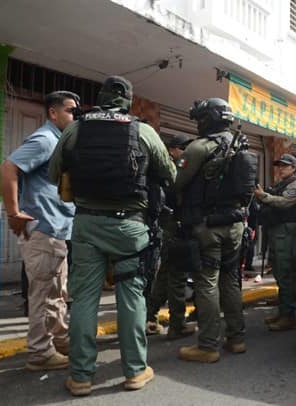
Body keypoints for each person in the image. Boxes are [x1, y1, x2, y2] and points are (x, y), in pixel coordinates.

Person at [49, 76, 176, 396]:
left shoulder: (76, 129)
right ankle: (135, 371)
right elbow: (170, 174)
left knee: (84, 300)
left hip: (87, 224)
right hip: (131, 227)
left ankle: (80, 376)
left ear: (100, 97)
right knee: (131, 298)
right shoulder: (143, 131)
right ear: (128, 101)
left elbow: (54, 173)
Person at [0, 90, 79, 371]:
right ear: (53, 113)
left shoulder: (59, 142)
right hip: (44, 228)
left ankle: (59, 340)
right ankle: (39, 352)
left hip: (57, 229)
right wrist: (13, 213)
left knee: (57, 292)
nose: (74, 116)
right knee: (43, 295)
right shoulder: (45, 139)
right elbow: (9, 168)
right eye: (70, 110)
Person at [176, 98, 251, 363]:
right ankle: (237, 338)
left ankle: (208, 345)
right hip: (235, 224)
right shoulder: (241, 145)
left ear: (207, 120)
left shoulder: (199, 147)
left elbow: (177, 183)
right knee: (230, 280)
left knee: (206, 282)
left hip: (207, 226)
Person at [145, 134, 196, 340]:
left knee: (165, 274)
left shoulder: (162, 167)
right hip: (176, 226)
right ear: (174, 150)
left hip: (168, 226)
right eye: (183, 149)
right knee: (177, 276)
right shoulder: (175, 170)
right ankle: (177, 324)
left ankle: (149, 316)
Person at [254, 153, 296, 331]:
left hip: (285, 232)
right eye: (279, 165)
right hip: (276, 231)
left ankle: (288, 315)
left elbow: (285, 203)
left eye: (285, 166)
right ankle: (283, 311)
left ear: (294, 168)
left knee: (285, 274)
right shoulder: (280, 184)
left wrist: (263, 196)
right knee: (277, 271)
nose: (281, 168)